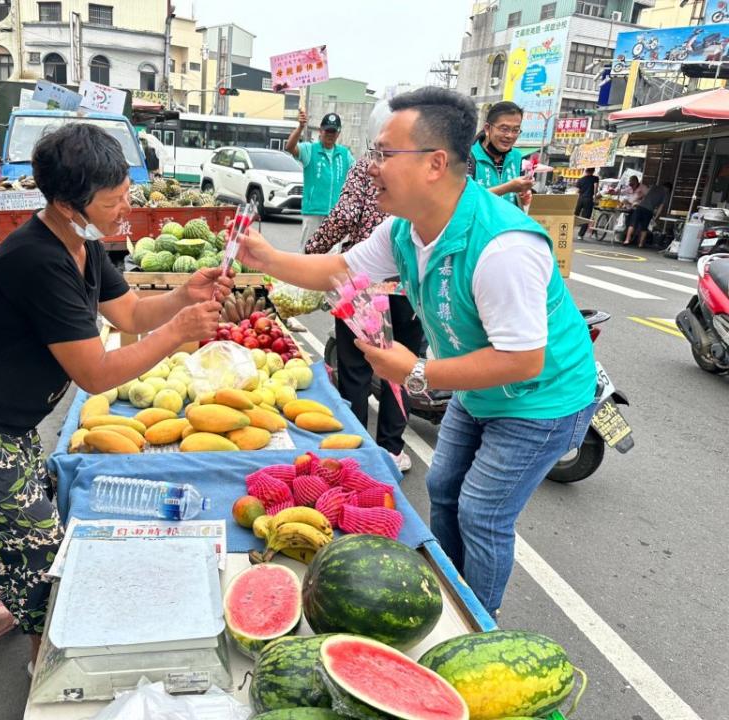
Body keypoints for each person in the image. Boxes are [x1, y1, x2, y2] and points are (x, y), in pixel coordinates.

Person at [234, 87, 597, 616]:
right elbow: (339, 271)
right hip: (479, 391)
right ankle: (450, 590)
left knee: (482, 512)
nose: (371, 166)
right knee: (443, 486)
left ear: (434, 164)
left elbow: (523, 360)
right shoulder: (404, 229)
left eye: (383, 153)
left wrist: (418, 370)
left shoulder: (504, 247)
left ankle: (479, 622)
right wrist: (265, 256)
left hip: (541, 400)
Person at [0, 123, 231, 669]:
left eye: (126, 190)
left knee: (16, 511)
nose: (126, 205)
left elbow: (127, 313)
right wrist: (177, 333)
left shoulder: (81, 242)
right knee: (34, 542)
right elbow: (97, 374)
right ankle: (46, 665)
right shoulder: (39, 260)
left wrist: (180, 298)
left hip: (2, 420)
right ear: (66, 202)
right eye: (114, 199)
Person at [304, 100, 423, 473]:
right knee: (400, 369)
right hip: (410, 286)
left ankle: (355, 448)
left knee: (355, 368)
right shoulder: (426, 171)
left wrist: (313, 250)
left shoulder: (363, 168)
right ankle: (391, 448)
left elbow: (343, 217)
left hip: (361, 285)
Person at [287, 109, 355, 248]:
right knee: (309, 250)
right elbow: (290, 147)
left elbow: (357, 172)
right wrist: (300, 127)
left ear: (338, 133)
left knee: (332, 254)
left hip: (335, 214)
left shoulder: (344, 154)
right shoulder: (310, 149)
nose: (330, 134)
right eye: (327, 131)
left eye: (333, 131)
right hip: (313, 212)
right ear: (320, 130)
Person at [468, 101, 533, 209]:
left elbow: (516, 201)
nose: (509, 135)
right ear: (487, 128)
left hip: (509, 225)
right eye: (504, 129)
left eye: (515, 130)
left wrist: (522, 197)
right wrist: (508, 188)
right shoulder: (468, 157)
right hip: (480, 225)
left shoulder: (516, 156)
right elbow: (466, 199)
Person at [624, 181, 671, 247]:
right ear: (668, 189)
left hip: (640, 207)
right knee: (644, 227)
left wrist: (633, 202)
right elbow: (661, 207)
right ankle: (640, 244)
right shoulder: (665, 195)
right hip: (649, 211)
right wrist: (656, 217)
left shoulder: (653, 187)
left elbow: (643, 195)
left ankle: (627, 240)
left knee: (632, 224)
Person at [575, 167, 599, 239]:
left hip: (580, 199)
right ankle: (580, 235)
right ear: (593, 171)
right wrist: (594, 197)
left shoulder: (581, 179)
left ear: (585, 171)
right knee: (586, 217)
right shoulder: (595, 178)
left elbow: (577, 191)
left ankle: (569, 230)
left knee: (575, 215)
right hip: (588, 199)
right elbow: (595, 187)